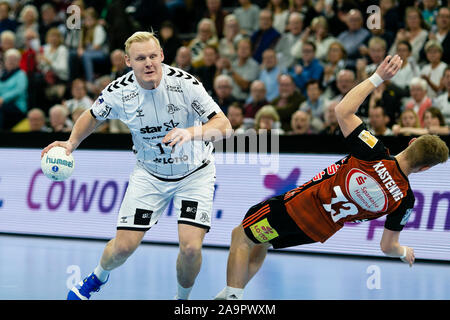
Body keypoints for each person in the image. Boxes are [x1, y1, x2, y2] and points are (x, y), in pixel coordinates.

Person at [214, 55, 449, 300]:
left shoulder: (374, 152)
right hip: (318, 231)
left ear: (411, 142)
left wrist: (378, 77)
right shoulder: (406, 200)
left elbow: (342, 110)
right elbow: (387, 247)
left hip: (296, 208)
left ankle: (232, 298)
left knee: (240, 235)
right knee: (262, 242)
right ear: (424, 169)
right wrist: (403, 252)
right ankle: (232, 292)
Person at [41, 31, 231, 300]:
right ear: (128, 61)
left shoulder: (185, 84)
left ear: (162, 56)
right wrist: (71, 144)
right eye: (141, 58)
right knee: (123, 248)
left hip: (195, 173)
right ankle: (97, 277)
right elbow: (92, 116)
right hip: (150, 174)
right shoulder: (119, 91)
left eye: (154, 56)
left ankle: (181, 300)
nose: (149, 63)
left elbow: (224, 125)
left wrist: (190, 132)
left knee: (191, 248)